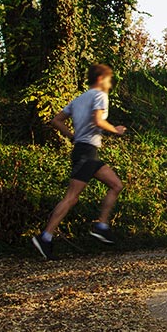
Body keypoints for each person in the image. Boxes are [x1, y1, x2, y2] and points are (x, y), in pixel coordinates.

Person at [32, 64, 127, 260]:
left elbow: (56, 120)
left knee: (116, 185)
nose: (110, 84)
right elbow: (98, 121)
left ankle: (101, 226)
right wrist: (115, 130)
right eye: (109, 80)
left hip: (87, 152)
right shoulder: (100, 95)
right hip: (86, 152)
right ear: (101, 78)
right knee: (71, 197)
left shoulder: (79, 99)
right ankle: (45, 237)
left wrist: (72, 136)